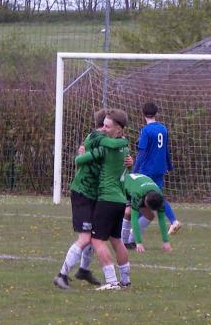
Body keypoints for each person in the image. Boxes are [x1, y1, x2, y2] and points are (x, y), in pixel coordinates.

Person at [53, 109, 123, 289]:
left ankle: (83, 270)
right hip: (82, 192)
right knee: (85, 237)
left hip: (95, 194)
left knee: (94, 235)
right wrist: (124, 142)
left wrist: (127, 159)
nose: (105, 129)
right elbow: (111, 147)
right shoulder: (98, 137)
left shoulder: (104, 140)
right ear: (104, 126)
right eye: (105, 126)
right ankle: (61, 275)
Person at [76, 109, 132, 290]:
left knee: (97, 240)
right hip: (120, 200)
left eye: (107, 126)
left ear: (118, 129)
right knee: (116, 240)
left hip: (107, 199)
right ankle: (125, 280)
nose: (103, 129)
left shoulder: (107, 147)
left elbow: (81, 160)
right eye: (103, 125)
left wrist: (81, 153)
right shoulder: (125, 147)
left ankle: (112, 281)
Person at [123, 102, 180, 249]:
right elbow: (166, 149)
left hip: (147, 169)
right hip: (160, 168)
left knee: (141, 201)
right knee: (158, 197)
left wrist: (134, 169)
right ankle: (173, 220)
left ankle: (131, 234)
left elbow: (142, 152)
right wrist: (169, 165)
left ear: (143, 114)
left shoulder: (146, 131)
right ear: (156, 113)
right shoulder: (163, 128)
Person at [124, 173, 171, 253]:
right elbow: (134, 219)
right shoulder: (137, 194)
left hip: (142, 187)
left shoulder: (160, 198)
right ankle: (123, 242)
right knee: (128, 213)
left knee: (150, 215)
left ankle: (132, 241)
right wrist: (139, 242)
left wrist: (165, 241)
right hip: (124, 186)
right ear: (145, 201)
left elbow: (162, 219)